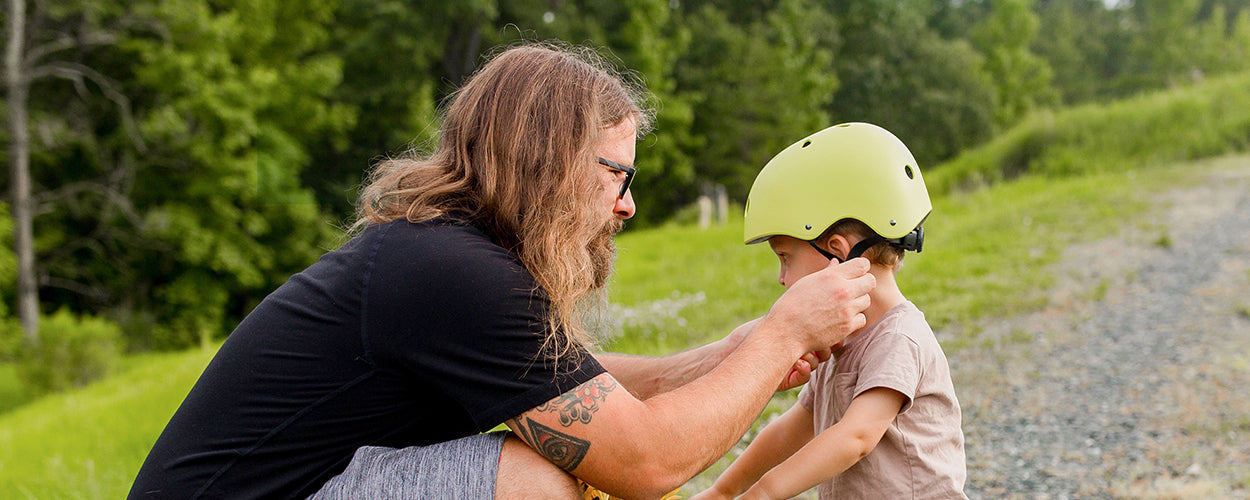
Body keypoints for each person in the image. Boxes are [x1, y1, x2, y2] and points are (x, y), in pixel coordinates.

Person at [128, 43, 876, 500]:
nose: (629, 206)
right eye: (618, 175)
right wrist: (782, 337)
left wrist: (734, 354)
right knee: (536, 482)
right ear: (551, 161)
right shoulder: (456, 274)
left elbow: (570, 385)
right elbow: (644, 464)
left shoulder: (446, 254)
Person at [692, 122, 967, 500]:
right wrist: (723, 491)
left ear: (837, 254)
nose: (782, 278)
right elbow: (792, 430)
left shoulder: (897, 337)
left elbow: (856, 437)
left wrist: (763, 494)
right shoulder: (841, 339)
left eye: (786, 258)